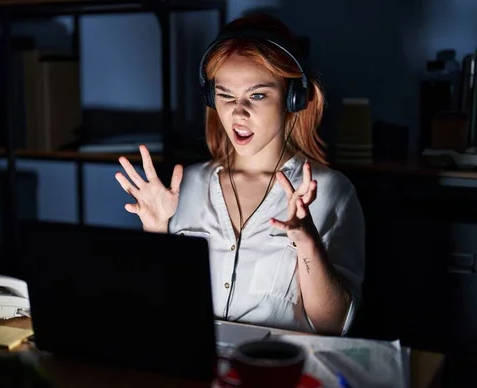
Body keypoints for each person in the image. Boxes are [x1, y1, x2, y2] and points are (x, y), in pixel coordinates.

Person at [114, 13, 365, 336]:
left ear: (293, 99)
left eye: (257, 95)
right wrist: (157, 233)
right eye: (226, 95)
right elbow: (161, 305)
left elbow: (331, 326)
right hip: (194, 370)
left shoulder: (331, 192)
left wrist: (306, 241)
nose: (238, 112)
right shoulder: (184, 186)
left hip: (278, 371)